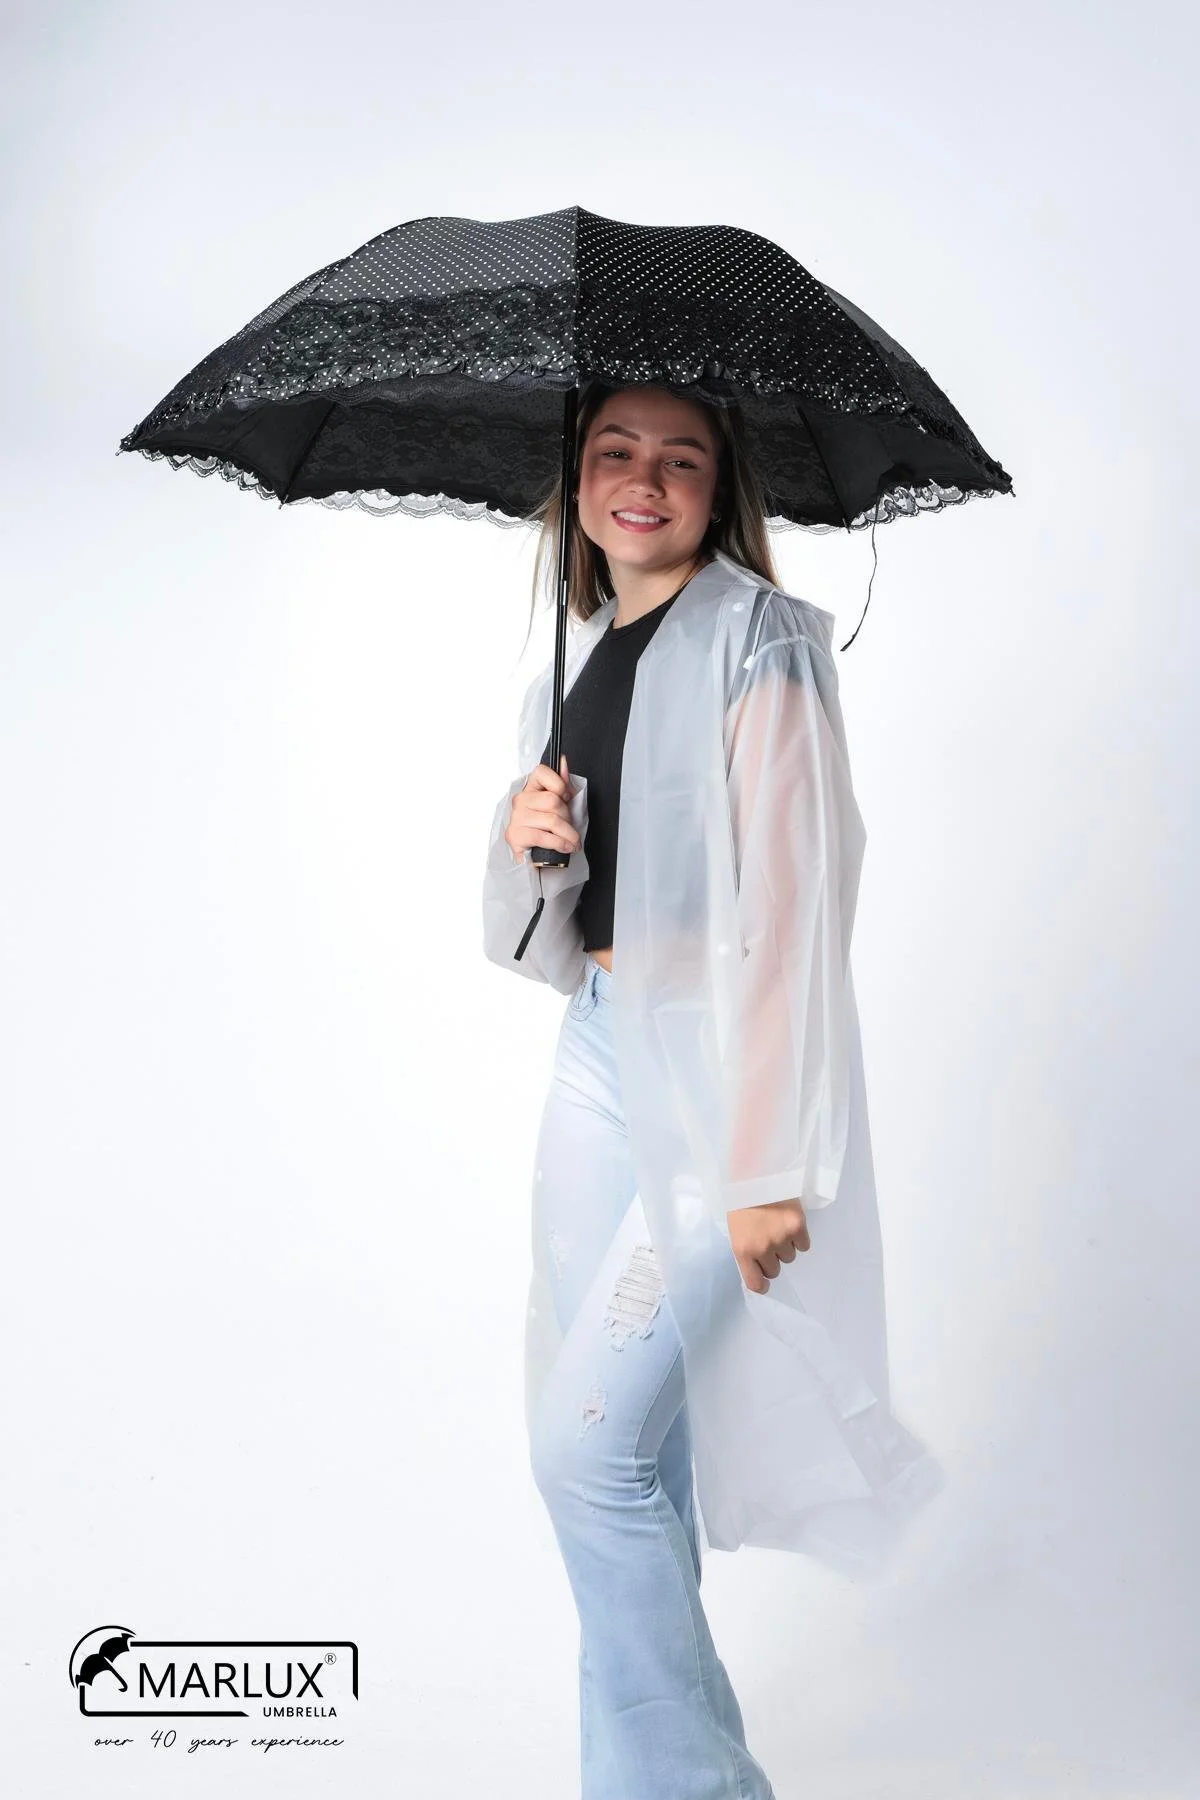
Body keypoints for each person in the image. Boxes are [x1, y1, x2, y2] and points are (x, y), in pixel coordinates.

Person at [481, 380, 944, 1799]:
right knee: (636, 1466)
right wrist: (535, 839)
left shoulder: (764, 640)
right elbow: (552, 924)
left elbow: (797, 916)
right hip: (599, 1050)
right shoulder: (579, 651)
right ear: (576, 482)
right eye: (615, 450)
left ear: (720, 487)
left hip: (714, 1074)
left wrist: (763, 1162)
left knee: (586, 1457)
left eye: (681, 459)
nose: (645, 477)